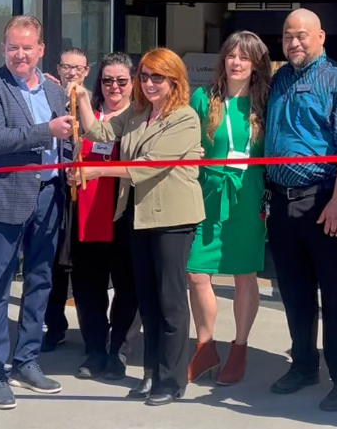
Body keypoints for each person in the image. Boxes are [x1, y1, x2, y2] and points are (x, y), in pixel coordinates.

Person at [69, 48, 204, 407]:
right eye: (144, 76)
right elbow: (99, 130)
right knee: (147, 300)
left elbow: (147, 166)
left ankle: (172, 380)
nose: (148, 83)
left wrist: (96, 171)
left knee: (170, 303)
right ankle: (151, 373)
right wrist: (82, 97)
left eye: (156, 77)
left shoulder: (185, 118)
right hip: (137, 216)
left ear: (174, 79)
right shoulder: (137, 111)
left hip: (173, 219)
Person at [263, 8, 337, 412]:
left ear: (321, 37)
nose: (294, 42)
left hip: (324, 201)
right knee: (293, 292)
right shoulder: (279, 80)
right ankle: (304, 365)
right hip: (281, 202)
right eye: (289, 35)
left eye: (302, 35)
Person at [0, 15, 75, 410]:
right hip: (5, 197)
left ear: (41, 50)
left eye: (27, 47)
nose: (20, 54)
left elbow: (68, 134)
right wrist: (47, 130)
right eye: (13, 47)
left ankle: (27, 360)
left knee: (40, 279)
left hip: (49, 194)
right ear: (3, 49)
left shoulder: (53, 89)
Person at [184, 31, 271, 386]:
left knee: (243, 274)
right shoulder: (204, 98)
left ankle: (239, 347)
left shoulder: (265, 101)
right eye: (231, 56)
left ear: (255, 65)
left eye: (244, 58)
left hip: (247, 195)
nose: (236, 63)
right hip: (208, 192)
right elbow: (186, 139)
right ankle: (205, 346)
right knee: (196, 272)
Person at [69, 52, 140, 381]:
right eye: (108, 80)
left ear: (133, 83)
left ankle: (119, 351)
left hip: (127, 215)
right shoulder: (85, 114)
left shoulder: (141, 120)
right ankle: (95, 349)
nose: (114, 87)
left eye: (121, 81)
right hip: (89, 213)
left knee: (128, 287)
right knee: (88, 287)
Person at [44, 47, 93, 351]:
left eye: (78, 68)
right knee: (53, 264)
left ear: (87, 71)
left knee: (85, 264)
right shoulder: (48, 98)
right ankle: (54, 326)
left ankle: (94, 333)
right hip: (54, 188)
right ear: (59, 69)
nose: (72, 73)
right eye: (66, 67)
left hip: (88, 191)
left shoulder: (94, 101)